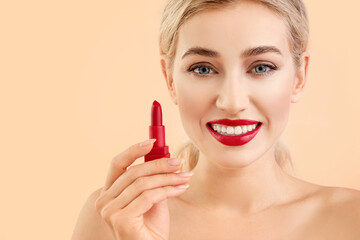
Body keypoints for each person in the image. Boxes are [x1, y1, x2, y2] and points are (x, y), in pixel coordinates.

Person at [71, 0, 360, 239]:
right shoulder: (113, 219)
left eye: (261, 67)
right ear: (170, 79)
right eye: (203, 69)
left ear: (299, 76)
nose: (232, 102)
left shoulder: (352, 219)